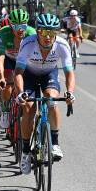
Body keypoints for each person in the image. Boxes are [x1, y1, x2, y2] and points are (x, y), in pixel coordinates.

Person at [15, 13, 75, 174]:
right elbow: (18, 72)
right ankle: (26, 151)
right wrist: (21, 93)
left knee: (51, 99)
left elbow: (69, 73)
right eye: (43, 32)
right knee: (28, 109)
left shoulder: (62, 45)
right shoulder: (27, 43)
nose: (47, 37)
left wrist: (70, 92)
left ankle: (54, 143)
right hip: (28, 75)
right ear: (37, 31)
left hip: (49, 74)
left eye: (51, 32)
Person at [0, 8, 36, 129]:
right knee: (7, 85)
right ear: (10, 25)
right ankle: (5, 110)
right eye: (16, 26)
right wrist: (1, 77)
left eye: (23, 25)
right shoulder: (4, 33)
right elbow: (0, 57)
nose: (20, 29)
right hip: (9, 59)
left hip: (25, 62)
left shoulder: (31, 33)